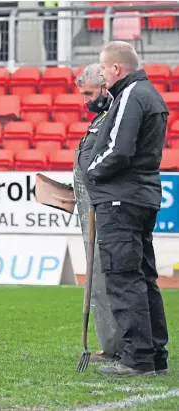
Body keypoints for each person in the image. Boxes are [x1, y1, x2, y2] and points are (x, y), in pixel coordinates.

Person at [83, 41, 169, 377]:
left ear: (116, 69)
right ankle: (154, 355)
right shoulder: (150, 95)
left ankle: (138, 358)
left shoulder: (133, 94)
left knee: (124, 278)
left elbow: (119, 150)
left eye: (103, 69)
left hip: (121, 199)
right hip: (141, 196)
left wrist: (91, 173)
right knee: (144, 278)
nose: (103, 75)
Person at [73, 63, 122, 363]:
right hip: (89, 206)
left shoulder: (114, 118)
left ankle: (119, 347)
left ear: (105, 87)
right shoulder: (102, 118)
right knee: (98, 280)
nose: (86, 101)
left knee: (107, 279)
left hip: (104, 209)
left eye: (90, 93)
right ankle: (111, 345)